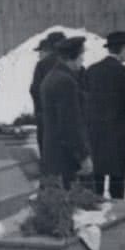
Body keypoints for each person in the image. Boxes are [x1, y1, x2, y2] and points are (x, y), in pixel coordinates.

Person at [84, 31, 125, 199]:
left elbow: (85, 100)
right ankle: (118, 217)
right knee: (117, 184)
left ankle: (96, 218)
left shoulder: (92, 70)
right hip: (118, 136)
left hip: (95, 136)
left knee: (96, 181)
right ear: (121, 49)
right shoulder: (123, 72)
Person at [40, 37, 93, 189]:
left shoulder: (50, 77)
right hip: (67, 159)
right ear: (73, 56)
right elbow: (70, 124)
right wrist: (83, 157)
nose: (83, 59)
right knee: (77, 207)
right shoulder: (66, 82)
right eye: (82, 54)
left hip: (53, 156)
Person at [30, 31, 66, 155]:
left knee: (48, 153)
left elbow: (35, 90)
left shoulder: (42, 65)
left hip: (46, 117)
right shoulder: (73, 63)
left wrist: (40, 111)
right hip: (68, 118)